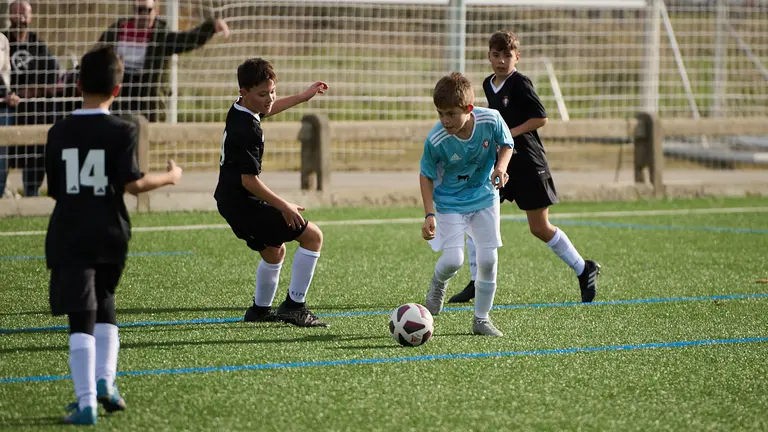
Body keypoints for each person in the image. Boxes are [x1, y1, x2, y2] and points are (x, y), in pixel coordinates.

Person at [45, 45, 183, 425]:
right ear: (117, 89)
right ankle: (105, 381)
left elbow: (54, 190)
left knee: (80, 317)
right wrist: (171, 177)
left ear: (77, 84)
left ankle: (86, 402)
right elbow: (133, 184)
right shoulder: (124, 129)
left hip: (71, 231)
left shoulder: (58, 131)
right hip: (111, 230)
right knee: (105, 301)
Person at [447, 31, 601, 305]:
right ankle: (476, 281)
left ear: (517, 57)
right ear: (489, 56)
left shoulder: (520, 83)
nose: (501, 61)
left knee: (539, 227)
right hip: (501, 163)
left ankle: (583, 268)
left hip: (528, 163)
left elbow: (540, 118)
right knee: (472, 215)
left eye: (507, 56)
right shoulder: (488, 84)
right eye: (496, 55)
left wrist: (509, 133)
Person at [214, 58, 329, 327]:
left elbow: (267, 109)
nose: (269, 99)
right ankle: (295, 307)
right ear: (244, 92)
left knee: (273, 251)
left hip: (231, 200)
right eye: (262, 94)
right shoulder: (248, 130)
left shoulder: (241, 108)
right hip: (243, 203)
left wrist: (302, 96)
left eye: (272, 91)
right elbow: (249, 181)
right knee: (313, 237)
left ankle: (259, 311)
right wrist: (284, 205)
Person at [420, 72, 514, 336]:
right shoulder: (436, 139)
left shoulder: (491, 119)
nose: (445, 120)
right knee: (453, 260)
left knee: (488, 260)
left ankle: (481, 319)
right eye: (440, 113)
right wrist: (429, 214)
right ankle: (438, 283)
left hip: (484, 197)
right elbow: (426, 175)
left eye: (451, 114)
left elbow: (507, 144)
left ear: (469, 109)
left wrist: (501, 167)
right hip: (449, 203)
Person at [97, 0, 230, 122]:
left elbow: (188, 40)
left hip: (148, 100)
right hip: (119, 95)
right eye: (139, 10)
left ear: (156, 11)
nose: (143, 14)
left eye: (147, 10)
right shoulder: (118, 31)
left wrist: (211, 26)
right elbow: (97, 54)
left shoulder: (161, 36)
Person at [2, 0, 68, 197]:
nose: (21, 18)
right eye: (17, 13)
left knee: (43, 129)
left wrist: (31, 92)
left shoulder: (38, 46)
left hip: (32, 108)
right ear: (10, 16)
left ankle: (32, 190)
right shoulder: (3, 42)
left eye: (25, 14)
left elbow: (52, 80)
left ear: (30, 18)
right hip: (5, 106)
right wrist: (7, 95)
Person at [0, 31, 21, 198]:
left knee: (2, 158)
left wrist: (8, 94)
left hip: (2, 108)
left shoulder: (2, 40)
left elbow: (5, 74)